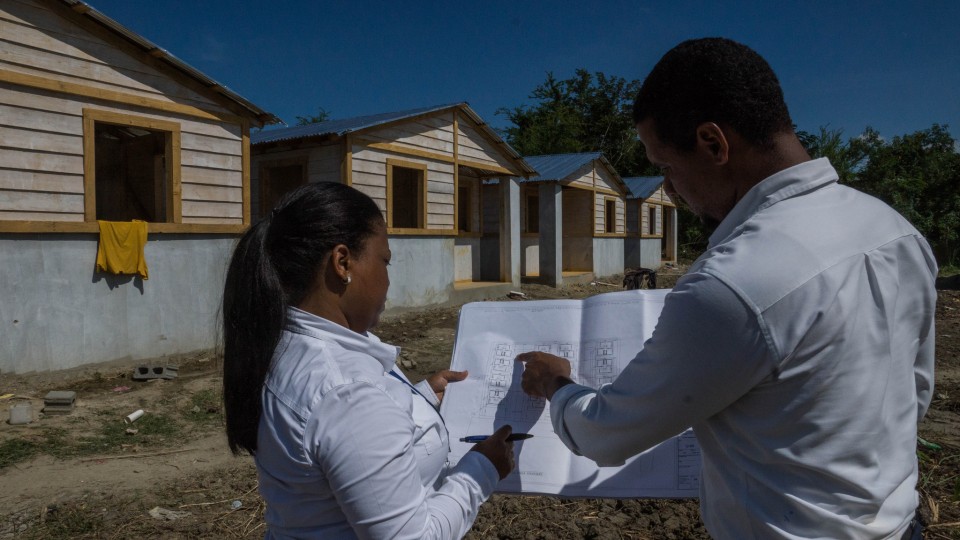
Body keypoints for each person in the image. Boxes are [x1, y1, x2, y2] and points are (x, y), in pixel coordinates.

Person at [517, 37, 936, 540]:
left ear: (714, 143)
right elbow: (915, 389)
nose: (670, 188)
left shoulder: (734, 282)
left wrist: (556, 384)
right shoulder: (894, 230)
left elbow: (605, 435)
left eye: (667, 166)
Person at [221, 181, 515, 539]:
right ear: (342, 262)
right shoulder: (347, 393)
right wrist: (481, 469)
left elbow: (345, 440)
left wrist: (422, 395)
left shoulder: (290, 343)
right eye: (385, 260)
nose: (388, 279)